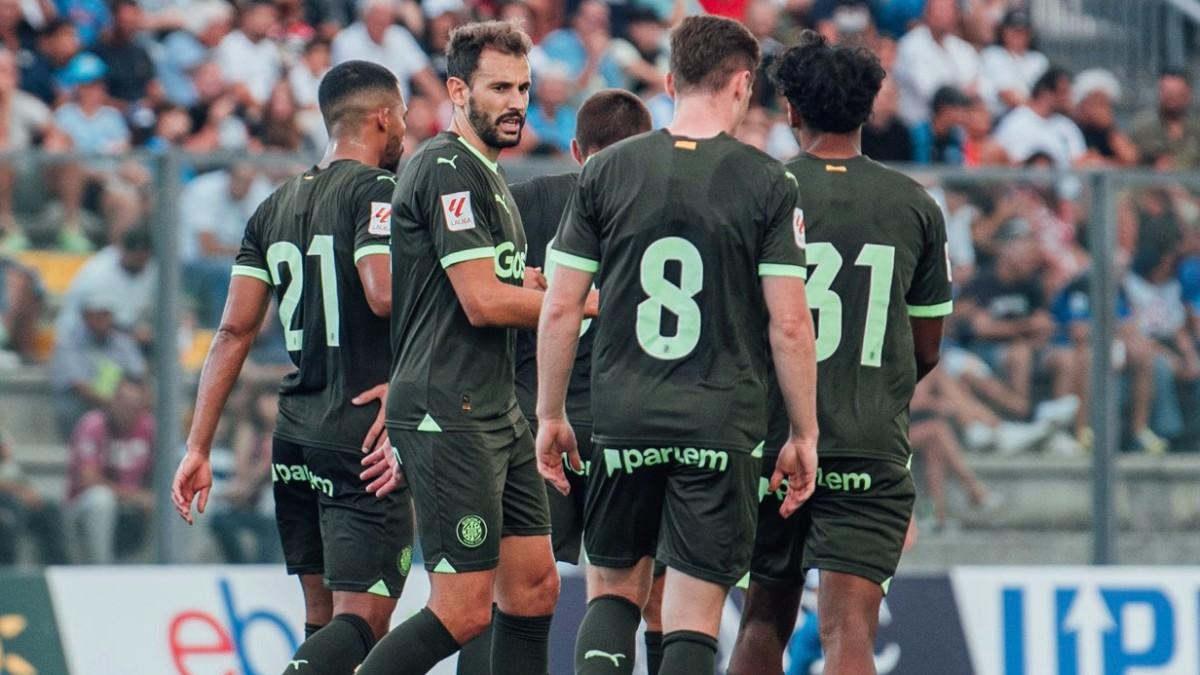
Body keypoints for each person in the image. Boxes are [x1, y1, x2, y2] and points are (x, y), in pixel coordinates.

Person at [536, 16, 817, 675]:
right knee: (691, 613)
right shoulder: (768, 182)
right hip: (720, 422)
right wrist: (803, 430)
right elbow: (790, 324)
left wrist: (551, 414)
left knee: (612, 592)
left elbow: (560, 305)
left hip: (625, 414)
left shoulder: (607, 171)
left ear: (668, 81)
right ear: (744, 84)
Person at [171, 60, 412, 675]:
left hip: (297, 430)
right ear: (383, 118)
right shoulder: (377, 192)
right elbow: (382, 291)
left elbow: (232, 331)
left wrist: (197, 445)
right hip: (362, 431)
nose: (406, 128)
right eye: (404, 116)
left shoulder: (272, 208)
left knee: (321, 619)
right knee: (365, 623)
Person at [728, 32, 952, 675]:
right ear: (867, 108)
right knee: (849, 631)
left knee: (763, 617)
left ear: (791, 108)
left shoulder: (762, 189)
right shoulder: (915, 204)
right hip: (868, 438)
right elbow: (927, 346)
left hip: (772, 438)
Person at [358, 21, 566, 675]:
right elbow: (482, 300)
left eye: (523, 88)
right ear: (456, 89)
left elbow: (487, 287)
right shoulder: (448, 167)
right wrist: (575, 302)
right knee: (463, 609)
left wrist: (527, 284)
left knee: (534, 587)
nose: (515, 102)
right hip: (446, 408)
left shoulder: (490, 175)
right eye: (499, 86)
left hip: (495, 407)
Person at [502, 88, 652, 672]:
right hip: (632, 424)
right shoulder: (669, 210)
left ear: (574, 149)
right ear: (645, 147)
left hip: (536, 421)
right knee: (635, 596)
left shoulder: (522, 204)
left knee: (510, 599)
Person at [66, 378, 154, 563]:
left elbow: (168, 473)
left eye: (134, 405)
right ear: (112, 401)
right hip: (85, 503)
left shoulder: (149, 427)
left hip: (137, 505)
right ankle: (101, 571)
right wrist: (134, 496)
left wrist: (152, 497)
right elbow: (88, 480)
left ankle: (172, 571)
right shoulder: (93, 425)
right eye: (123, 402)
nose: (128, 410)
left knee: (180, 503)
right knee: (101, 500)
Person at [993, 67, 1087, 168]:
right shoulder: (1014, 122)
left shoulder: (1067, 126)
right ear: (1045, 92)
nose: (1068, 98)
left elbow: (1079, 161)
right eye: (1063, 93)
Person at [980, 9, 1048, 114]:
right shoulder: (993, 55)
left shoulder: (1039, 60)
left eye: (1023, 30)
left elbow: (1046, 95)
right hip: (1004, 115)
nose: (1018, 34)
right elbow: (1008, 96)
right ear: (1003, 31)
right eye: (1013, 29)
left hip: (1035, 114)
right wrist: (1037, 110)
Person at [1131, 68, 1200, 170]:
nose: (1171, 97)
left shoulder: (1196, 128)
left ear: (1188, 93)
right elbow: (1130, 158)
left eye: (1177, 92)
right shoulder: (1142, 126)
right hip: (1152, 183)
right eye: (1167, 91)